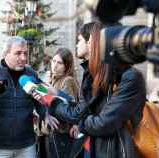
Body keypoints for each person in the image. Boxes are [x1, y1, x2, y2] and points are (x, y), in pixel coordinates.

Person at [43, 22, 146, 158]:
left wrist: (79, 121)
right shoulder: (97, 74)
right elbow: (81, 111)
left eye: (82, 40)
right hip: (93, 147)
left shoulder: (130, 77)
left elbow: (103, 123)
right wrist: (54, 101)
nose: (79, 44)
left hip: (115, 152)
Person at [0, 36, 56, 158]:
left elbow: (40, 99)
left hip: (27, 144)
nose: (23, 58)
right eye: (18, 53)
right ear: (6, 54)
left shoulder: (31, 74)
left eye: (25, 53)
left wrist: (45, 114)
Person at [41, 48, 79, 158]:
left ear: (67, 66)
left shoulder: (67, 80)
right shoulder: (49, 79)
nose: (55, 65)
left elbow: (70, 108)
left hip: (60, 135)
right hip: (48, 134)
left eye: (60, 63)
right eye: (54, 61)